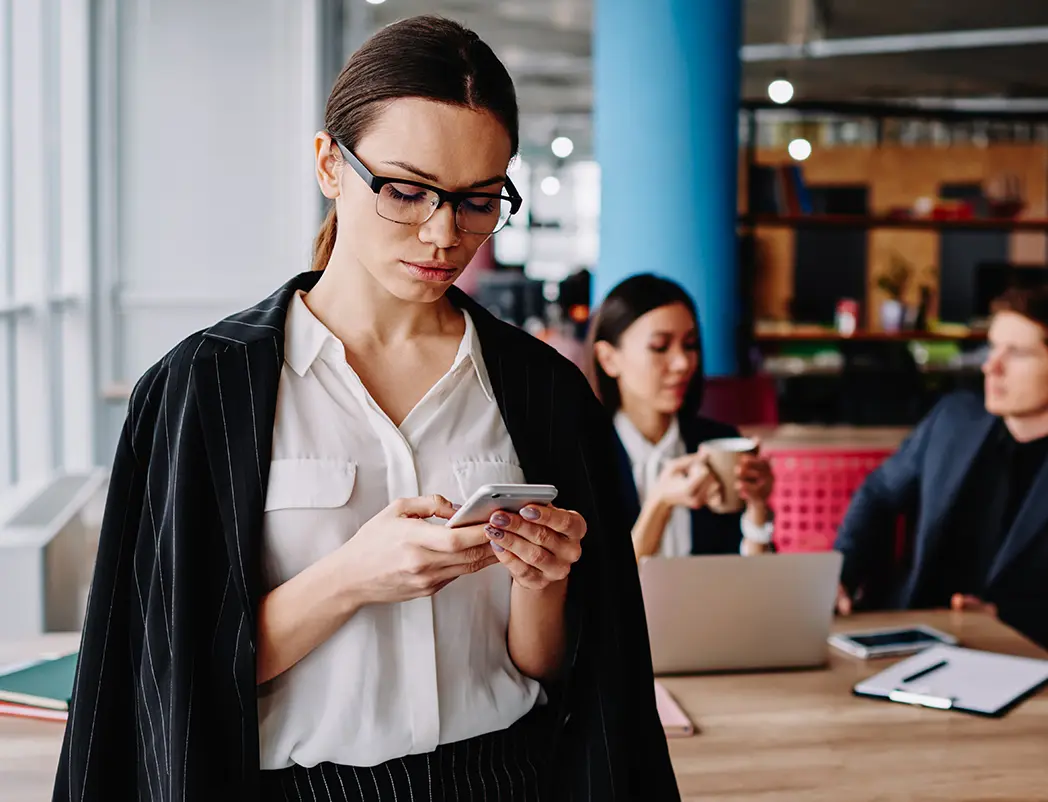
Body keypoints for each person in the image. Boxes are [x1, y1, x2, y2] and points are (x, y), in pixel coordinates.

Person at [54, 17, 678, 801]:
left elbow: (567, 675)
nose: (443, 233)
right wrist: (349, 578)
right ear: (329, 164)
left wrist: (543, 582)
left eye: (479, 201)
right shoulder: (202, 391)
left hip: (510, 778)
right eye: (406, 190)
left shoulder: (544, 391)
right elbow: (162, 675)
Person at [835, 285, 1048, 648]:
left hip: (1025, 654)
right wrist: (842, 573)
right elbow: (880, 493)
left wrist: (1007, 619)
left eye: (1016, 354)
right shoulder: (954, 419)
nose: (991, 366)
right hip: (913, 635)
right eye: (993, 347)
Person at [585, 274, 775, 560]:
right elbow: (598, 593)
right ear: (609, 358)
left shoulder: (718, 445)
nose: (683, 363)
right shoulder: (583, 455)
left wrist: (757, 507)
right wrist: (660, 504)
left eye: (690, 345)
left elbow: (755, 583)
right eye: (660, 347)